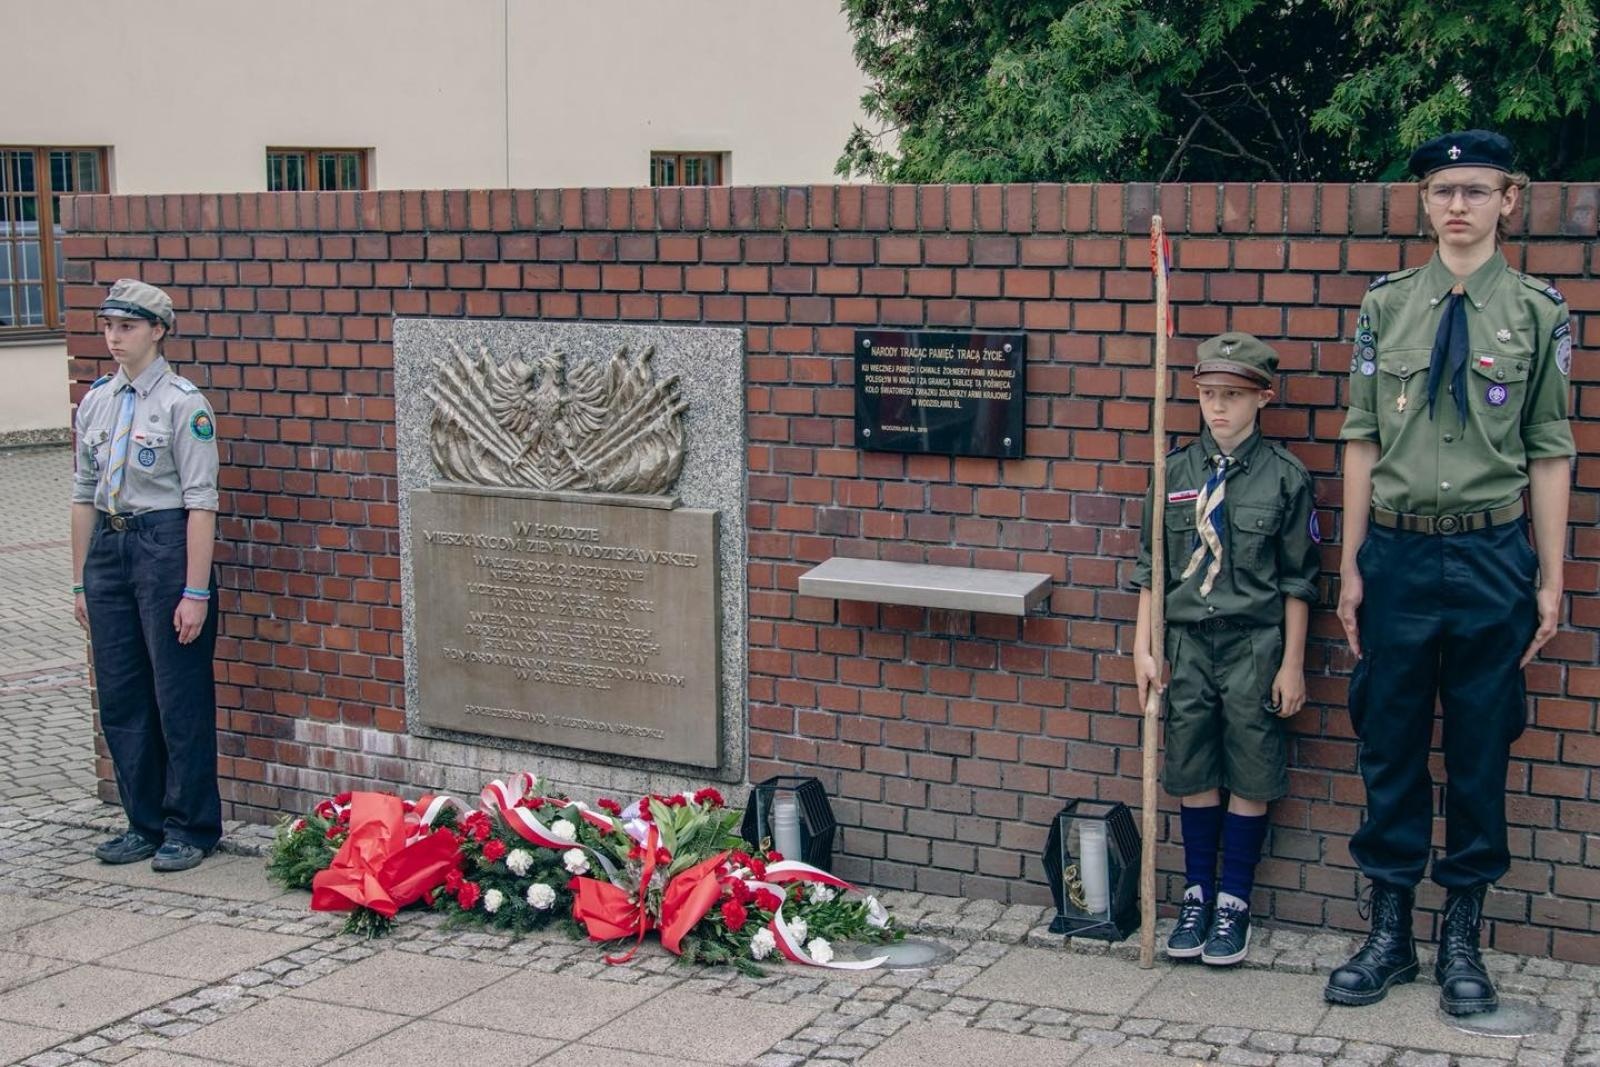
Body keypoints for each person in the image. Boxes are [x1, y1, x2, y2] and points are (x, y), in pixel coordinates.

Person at [1324, 130, 1574, 1016]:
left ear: (1510, 199)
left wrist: (1551, 576)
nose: (1457, 204)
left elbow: (1549, 448)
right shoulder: (1385, 305)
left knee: (1479, 747)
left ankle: (1461, 936)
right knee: (1389, 742)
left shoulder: (1539, 312)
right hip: (1395, 553)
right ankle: (1389, 932)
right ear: (1425, 203)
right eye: (1442, 190)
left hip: (1491, 554)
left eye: (1475, 189)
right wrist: (1351, 565)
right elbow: (1361, 437)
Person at [1134, 332, 1320, 967]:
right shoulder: (1173, 472)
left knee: (1251, 765)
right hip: (1186, 644)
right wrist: (1142, 649)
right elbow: (1151, 569)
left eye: (1234, 396)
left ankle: (1233, 900)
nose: (1218, 408)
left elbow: (1299, 580)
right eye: (1208, 394)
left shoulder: (1286, 477)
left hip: (1254, 646)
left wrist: (1292, 664)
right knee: (1191, 767)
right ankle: (1197, 895)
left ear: (1263, 398)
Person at [71, 279, 223, 873]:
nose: (114, 338)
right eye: (109, 326)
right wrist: (81, 583)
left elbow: (201, 502)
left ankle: (191, 828)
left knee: (177, 695)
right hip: (109, 547)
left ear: (158, 331)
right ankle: (144, 822)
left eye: (127, 327)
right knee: (121, 694)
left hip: (165, 546)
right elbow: (83, 493)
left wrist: (195, 591)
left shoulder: (184, 404)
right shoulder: (96, 401)